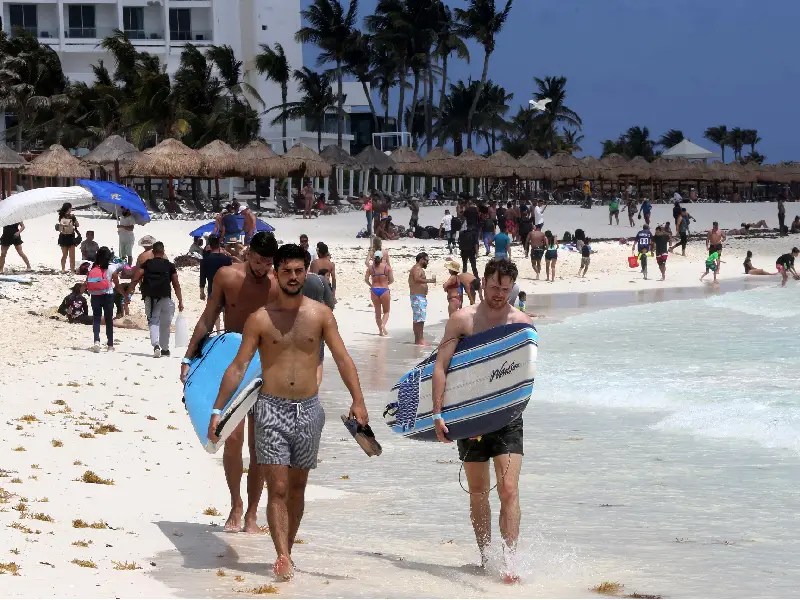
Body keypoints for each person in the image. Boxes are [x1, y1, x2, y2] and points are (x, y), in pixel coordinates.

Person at [208, 243, 369, 581]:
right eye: (286, 271)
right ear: (276, 273)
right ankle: (281, 554)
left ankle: (288, 551)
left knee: (297, 488)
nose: (293, 277)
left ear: (305, 272)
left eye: (298, 271)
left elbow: (342, 358)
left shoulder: (320, 315)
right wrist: (218, 409)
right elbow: (238, 366)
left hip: (308, 410)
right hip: (271, 408)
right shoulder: (260, 319)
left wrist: (358, 400)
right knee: (278, 486)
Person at [432, 258, 532, 579]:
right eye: (494, 287)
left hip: (506, 416)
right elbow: (440, 366)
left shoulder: (521, 323)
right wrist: (437, 413)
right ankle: (486, 557)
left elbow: (525, 374)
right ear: (484, 283)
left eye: (505, 289)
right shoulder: (462, 320)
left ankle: (510, 562)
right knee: (478, 492)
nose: (499, 294)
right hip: (468, 414)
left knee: (509, 489)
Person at [182, 232, 278, 533]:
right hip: (231, 363)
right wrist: (188, 358)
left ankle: (252, 513)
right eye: (258, 261)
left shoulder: (276, 285)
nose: (262, 268)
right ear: (248, 254)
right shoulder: (226, 276)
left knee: (259, 445)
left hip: (265, 366)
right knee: (231, 438)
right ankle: (236, 503)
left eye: (268, 263)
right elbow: (208, 317)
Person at [128, 241, 184, 357]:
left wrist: (129, 294)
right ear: (163, 252)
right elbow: (176, 284)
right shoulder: (169, 265)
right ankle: (165, 349)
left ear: (153, 252)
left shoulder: (147, 264)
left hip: (151, 298)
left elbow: (136, 278)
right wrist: (180, 301)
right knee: (165, 324)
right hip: (166, 297)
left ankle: (156, 345)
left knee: (153, 321)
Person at [302, 255, 336, 387]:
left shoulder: (290, 281)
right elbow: (330, 304)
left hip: (296, 324)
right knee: (318, 361)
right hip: (316, 324)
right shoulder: (320, 280)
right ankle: (314, 390)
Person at [85, 246, 123, 352]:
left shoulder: (92, 267)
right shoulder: (111, 268)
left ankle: (96, 341)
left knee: (96, 318)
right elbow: (117, 285)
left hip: (95, 295)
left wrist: (82, 290)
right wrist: (124, 294)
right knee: (108, 319)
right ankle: (110, 345)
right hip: (108, 295)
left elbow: (87, 281)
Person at [408, 252, 436, 345]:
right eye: (426, 260)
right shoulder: (417, 268)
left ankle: (418, 340)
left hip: (418, 296)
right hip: (418, 297)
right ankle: (420, 339)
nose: (427, 262)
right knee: (420, 319)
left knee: (418, 319)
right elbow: (416, 279)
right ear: (421, 259)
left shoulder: (417, 268)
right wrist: (430, 280)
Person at [199, 235, 235, 304]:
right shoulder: (227, 259)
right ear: (219, 244)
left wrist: (202, 292)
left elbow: (202, 278)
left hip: (212, 291)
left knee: (213, 310)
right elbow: (231, 276)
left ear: (210, 245)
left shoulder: (204, 261)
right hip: (226, 292)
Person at [365, 250, 393, 336]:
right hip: (384, 290)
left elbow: (366, 279)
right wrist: (386, 284)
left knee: (377, 312)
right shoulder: (387, 267)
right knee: (386, 311)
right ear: (381, 258)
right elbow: (392, 280)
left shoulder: (370, 268)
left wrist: (371, 285)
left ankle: (380, 331)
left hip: (374, 290)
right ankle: (383, 325)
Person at [57, 202, 79, 273]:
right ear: (68, 208)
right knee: (66, 255)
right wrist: (68, 222)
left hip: (69, 236)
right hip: (65, 237)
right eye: (70, 208)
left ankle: (71, 270)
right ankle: (64, 269)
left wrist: (74, 220)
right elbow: (61, 229)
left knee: (71, 255)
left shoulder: (71, 216)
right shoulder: (63, 216)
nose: (71, 209)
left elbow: (77, 225)